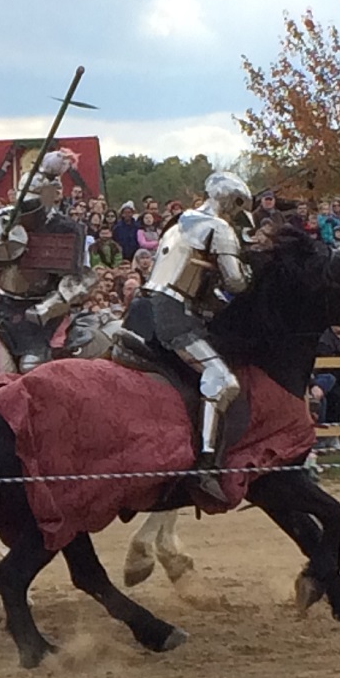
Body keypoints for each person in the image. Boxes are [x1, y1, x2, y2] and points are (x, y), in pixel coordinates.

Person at [112, 171, 253, 467]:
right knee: (223, 381)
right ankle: (206, 462)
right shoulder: (220, 229)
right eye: (239, 205)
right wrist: (248, 269)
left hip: (143, 305)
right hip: (173, 313)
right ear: (232, 201)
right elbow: (236, 283)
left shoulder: (180, 221)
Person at [0, 147, 98, 369]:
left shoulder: (66, 229)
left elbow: (76, 280)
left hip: (41, 312)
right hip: (2, 304)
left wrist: (48, 307)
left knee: (31, 365)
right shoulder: (4, 217)